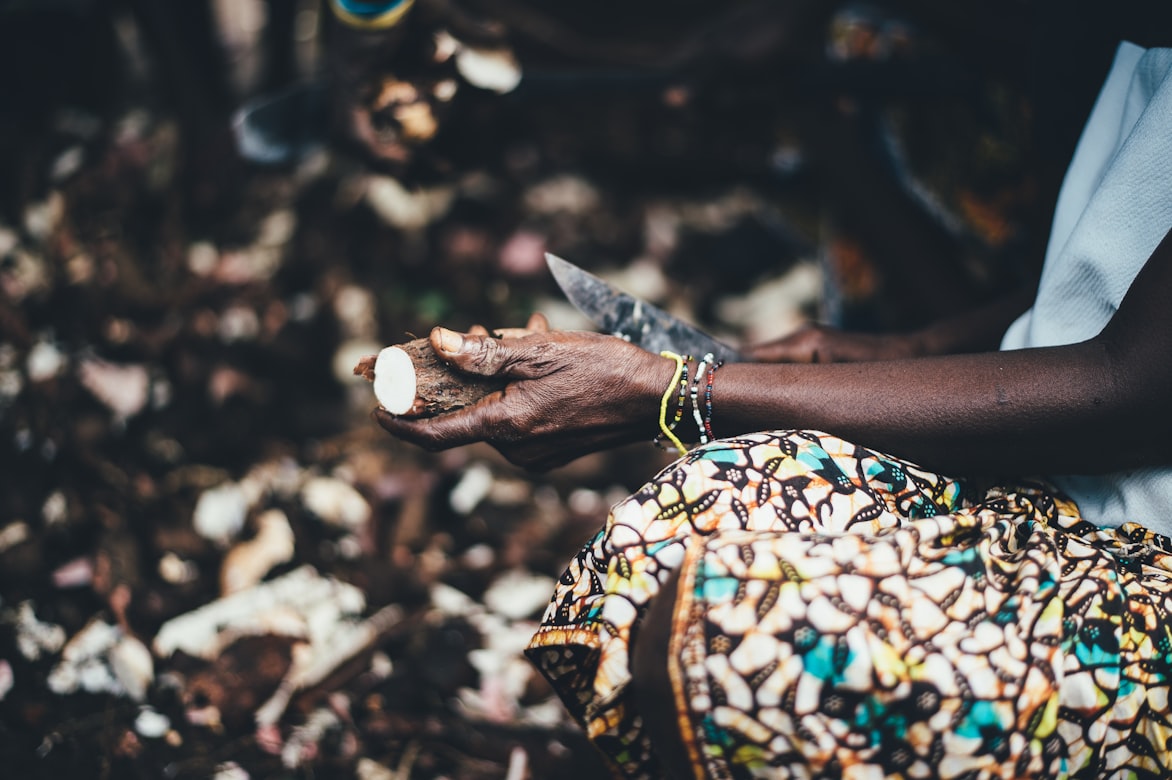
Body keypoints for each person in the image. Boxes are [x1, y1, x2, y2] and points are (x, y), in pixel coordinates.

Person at [375, 39, 1172, 779]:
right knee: (669, 537)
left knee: (724, 639)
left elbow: (1129, 391)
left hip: (1147, 551)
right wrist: (914, 346)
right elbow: (1104, 281)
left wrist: (675, 390)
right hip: (1050, 475)